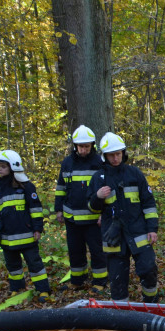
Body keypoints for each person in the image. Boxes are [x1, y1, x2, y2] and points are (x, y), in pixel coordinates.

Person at [88, 133, 160, 303]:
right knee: (117, 279)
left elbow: (148, 202)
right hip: (113, 236)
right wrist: (97, 197)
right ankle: (121, 312)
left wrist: (152, 229)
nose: (115, 158)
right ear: (104, 156)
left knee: (148, 268)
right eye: (111, 155)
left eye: (118, 154)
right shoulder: (98, 178)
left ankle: (151, 302)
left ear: (123, 153)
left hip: (138, 232)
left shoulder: (134, 174)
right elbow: (92, 208)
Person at [0, 150, 53, 303]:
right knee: (13, 267)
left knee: (35, 264)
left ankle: (43, 290)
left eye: (4, 166)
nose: (0, 169)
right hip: (6, 238)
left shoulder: (26, 187)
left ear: (13, 167)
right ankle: (17, 289)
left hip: (27, 236)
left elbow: (36, 209)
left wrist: (37, 228)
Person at [54, 125, 107, 293]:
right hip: (72, 218)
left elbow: (107, 189)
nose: (83, 150)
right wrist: (59, 209)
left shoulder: (99, 163)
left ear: (92, 145)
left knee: (97, 251)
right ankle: (77, 280)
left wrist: (104, 214)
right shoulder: (67, 163)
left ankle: (100, 281)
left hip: (93, 218)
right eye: (80, 146)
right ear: (75, 146)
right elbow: (61, 187)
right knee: (75, 250)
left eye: (86, 146)